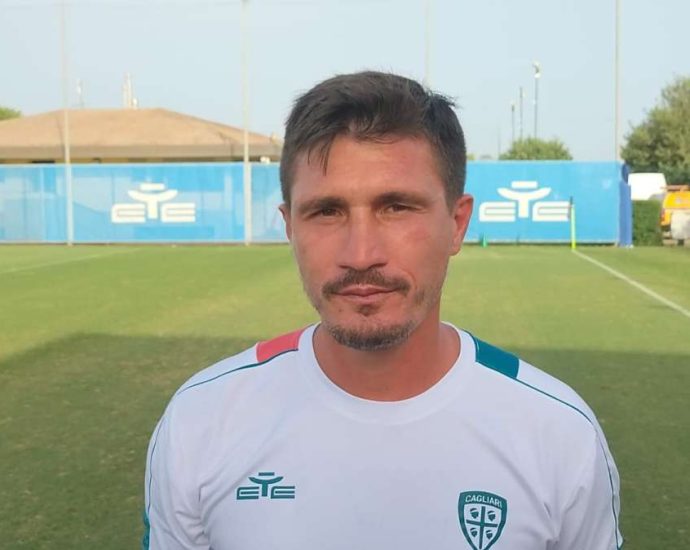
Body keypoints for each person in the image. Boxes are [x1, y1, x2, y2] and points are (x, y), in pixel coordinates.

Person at [143, 71, 622, 550]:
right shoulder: (201, 420)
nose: (361, 254)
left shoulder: (558, 434)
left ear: (457, 224)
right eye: (327, 211)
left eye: (396, 207)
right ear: (290, 227)